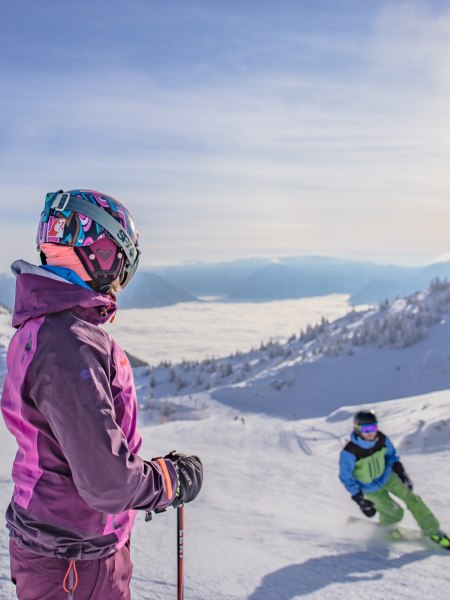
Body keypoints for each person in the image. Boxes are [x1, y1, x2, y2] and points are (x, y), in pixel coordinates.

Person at [1, 189, 203, 599]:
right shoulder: (67, 343)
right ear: (102, 253)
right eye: (122, 262)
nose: (120, 278)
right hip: (74, 559)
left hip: (65, 547)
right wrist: (168, 482)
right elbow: (108, 484)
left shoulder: (46, 328)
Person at [339, 409, 449, 548]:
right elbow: (346, 477)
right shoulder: (350, 452)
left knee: (413, 499)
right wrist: (360, 499)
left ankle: (433, 531)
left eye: (373, 427)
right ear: (357, 429)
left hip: (388, 477)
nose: (371, 432)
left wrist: (401, 473)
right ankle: (387, 529)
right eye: (366, 429)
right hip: (370, 488)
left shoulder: (382, 439)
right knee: (396, 514)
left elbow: (392, 456)